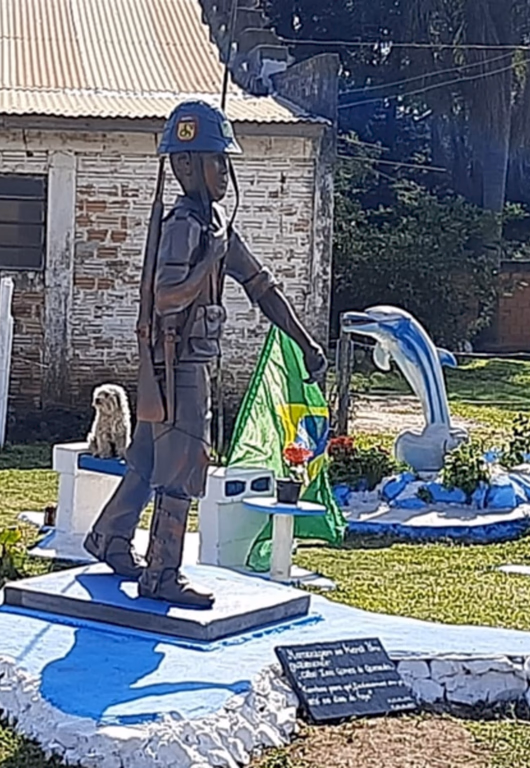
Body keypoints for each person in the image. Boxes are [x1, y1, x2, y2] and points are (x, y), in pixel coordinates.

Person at [83, 99, 328, 608]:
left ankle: (109, 537)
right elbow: (165, 294)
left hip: (183, 360)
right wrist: (208, 260)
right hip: (179, 366)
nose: (225, 171)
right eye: (218, 160)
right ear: (187, 164)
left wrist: (304, 342)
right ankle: (162, 574)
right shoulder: (186, 227)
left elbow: (259, 284)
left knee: (148, 461)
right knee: (184, 466)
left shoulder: (212, 223)